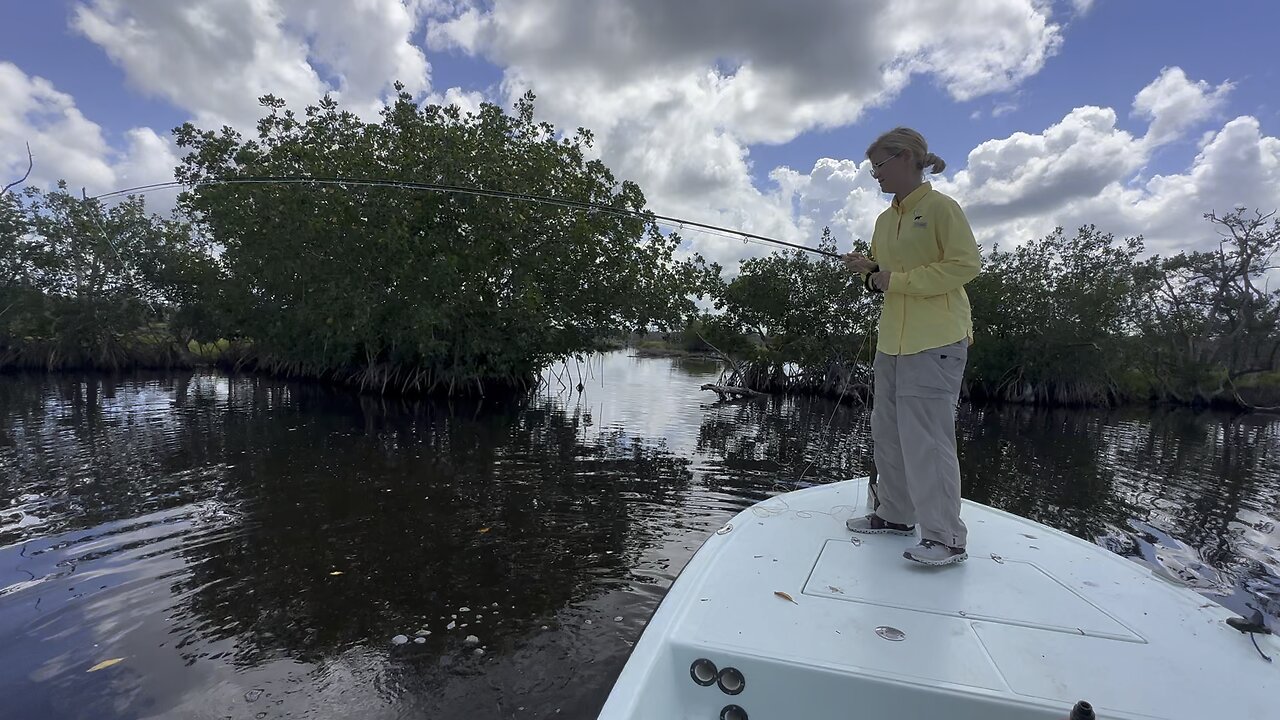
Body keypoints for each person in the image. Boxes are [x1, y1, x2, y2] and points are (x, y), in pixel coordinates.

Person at [842, 127, 981, 567]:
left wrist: (894, 279)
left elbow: (964, 266)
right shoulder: (885, 220)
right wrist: (869, 270)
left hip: (937, 339)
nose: (875, 176)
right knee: (888, 431)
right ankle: (896, 515)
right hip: (892, 342)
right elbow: (884, 278)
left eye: (878, 167)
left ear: (904, 159)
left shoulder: (942, 208)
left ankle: (945, 539)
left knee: (928, 438)